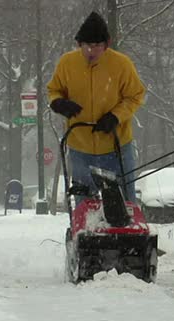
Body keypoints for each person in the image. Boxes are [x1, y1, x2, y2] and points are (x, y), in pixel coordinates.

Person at [47, 11, 145, 203]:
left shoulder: (121, 64)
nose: (92, 51)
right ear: (79, 44)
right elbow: (54, 89)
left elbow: (135, 96)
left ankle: (126, 230)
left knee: (124, 202)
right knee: (84, 201)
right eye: (87, 46)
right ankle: (85, 231)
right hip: (80, 145)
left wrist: (115, 116)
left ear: (106, 45)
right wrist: (59, 102)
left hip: (116, 145)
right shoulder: (67, 63)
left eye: (97, 46)